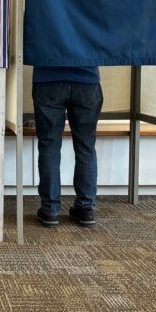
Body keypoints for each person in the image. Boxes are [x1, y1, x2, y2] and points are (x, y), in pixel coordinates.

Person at [32, 66, 103, 228]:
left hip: (48, 77)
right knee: (86, 146)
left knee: (49, 145)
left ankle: (50, 210)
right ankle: (86, 208)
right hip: (87, 78)